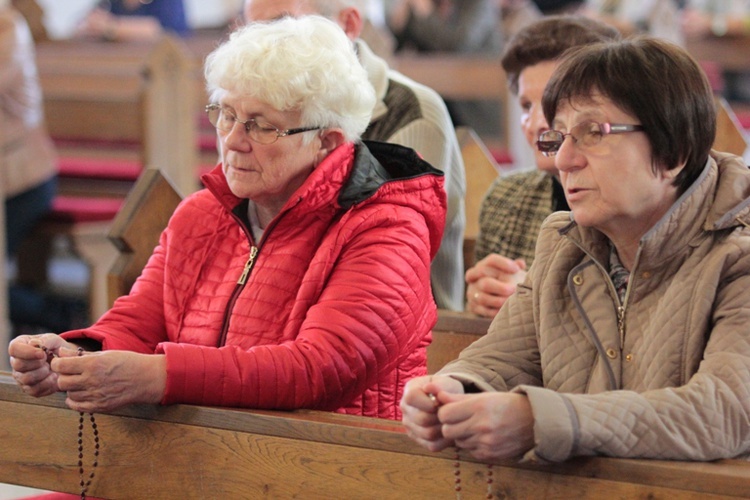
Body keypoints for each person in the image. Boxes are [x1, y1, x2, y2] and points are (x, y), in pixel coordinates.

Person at [8, 15, 445, 420]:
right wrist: (76, 355)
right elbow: (140, 320)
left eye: (260, 125)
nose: (232, 141)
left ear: (326, 142)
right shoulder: (201, 215)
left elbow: (318, 369)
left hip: (335, 468)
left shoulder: (387, 227)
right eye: (227, 114)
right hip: (203, 461)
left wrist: (158, 375)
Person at [401, 36, 750, 462]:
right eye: (558, 136)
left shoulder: (738, 249)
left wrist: (538, 421)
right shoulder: (563, 242)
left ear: (674, 150)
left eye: (592, 133)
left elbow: (724, 411)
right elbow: (499, 359)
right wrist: (450, 390)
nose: (563, 160)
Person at [244, 0, 467, 312]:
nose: (258, 51)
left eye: (280, 29)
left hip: (407, 328)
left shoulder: (410, 110)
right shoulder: (248, 113)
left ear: (348, 24)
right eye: (250, 32)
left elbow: (388, 261)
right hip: (279, 314)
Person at [466, 16, 620, 318]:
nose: (536, 123)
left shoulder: (629, 198)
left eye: (553, 103)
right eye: (526, 106)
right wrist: (480, 298)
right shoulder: (507, 198)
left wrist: (533, 295)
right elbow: (490, 336)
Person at [75, 0, 190, 42]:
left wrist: (110, 28)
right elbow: (82, 26)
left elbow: (159, 30)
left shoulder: (168, 3)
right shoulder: (112, 3)